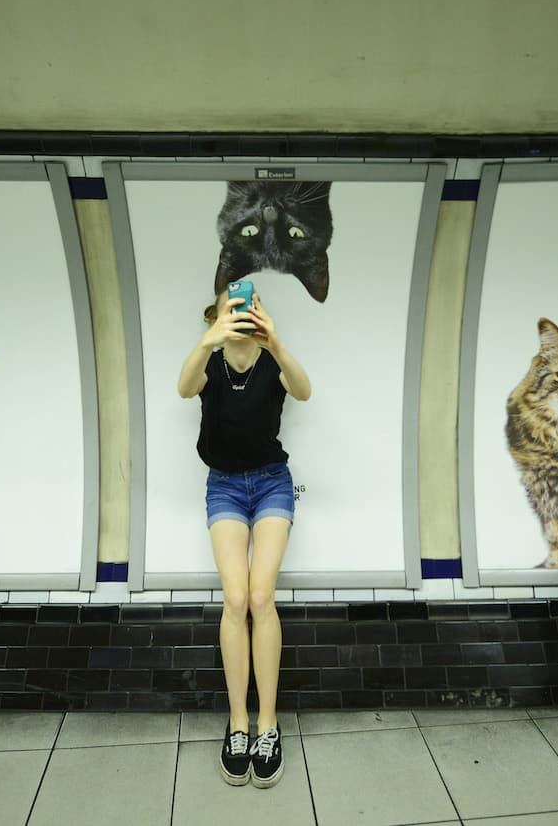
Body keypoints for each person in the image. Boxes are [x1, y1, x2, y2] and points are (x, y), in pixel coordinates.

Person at [177, 288, 311, 788]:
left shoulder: (270, 359)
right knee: (236, 599)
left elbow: (303, 391)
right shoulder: (209, 362)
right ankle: (239, 723)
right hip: (225, 487)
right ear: (216, 316)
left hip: (272, 480)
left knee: (260, 595)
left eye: (248, 311)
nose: (241, 320)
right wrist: (207, 340)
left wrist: (276, 343)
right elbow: (183, 388)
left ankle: (268, 724)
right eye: (231, 312)